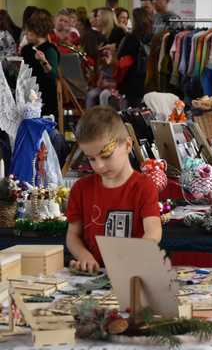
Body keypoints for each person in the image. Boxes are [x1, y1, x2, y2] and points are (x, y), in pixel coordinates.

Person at [65, 106, 162, 272]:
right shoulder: (81, 189)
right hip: (96, 275)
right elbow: (73, 235)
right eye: (91, 159)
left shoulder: (143, 187)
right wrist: (83, 256)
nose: (100, 166)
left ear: (128, 145)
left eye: (106, 155)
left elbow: (153, 231)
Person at [19, 10, 59, 119]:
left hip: (44, 93)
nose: (26, 33)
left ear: (37, 31)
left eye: (29, 31)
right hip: (27, 90)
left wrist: (43, 61)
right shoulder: (26, 49)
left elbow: (53, 75)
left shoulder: (50, 50)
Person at [115, 7, 153, 107]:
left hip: (131, 80)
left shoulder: (130, 38)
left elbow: (120, 56)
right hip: (148, 80)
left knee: (130, 111)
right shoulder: (153, 37)